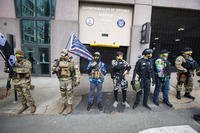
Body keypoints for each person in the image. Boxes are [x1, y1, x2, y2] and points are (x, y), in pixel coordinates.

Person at [52, 49, 80, 114]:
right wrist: (57, 68)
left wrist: (77, 79)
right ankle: (63, 104)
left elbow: (76, 70)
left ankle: (69, 105)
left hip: (69, 79)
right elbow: (53, 69)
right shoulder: (58, 61)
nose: (63, 56)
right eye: (62, 55)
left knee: (69, 93)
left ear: (67, 55)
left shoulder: (71, 62)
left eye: (64, 55)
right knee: (62, 93)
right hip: (61, 80)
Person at [12, 50, 36, 114]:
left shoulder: (26, 62)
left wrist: (14, 68)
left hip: (24, 81)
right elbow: (8, 70)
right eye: (16, 56)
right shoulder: (13, 62)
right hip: (16, 81)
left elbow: (25, 70)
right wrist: (8, 67)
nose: (17, 57)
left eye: (18, 56)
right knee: (20, 95)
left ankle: (32, 106)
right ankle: (24, 105)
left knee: (27, 94)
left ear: (21, 56)